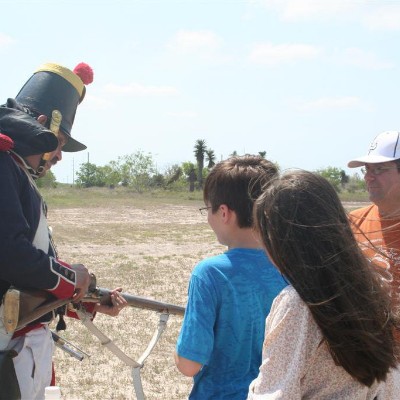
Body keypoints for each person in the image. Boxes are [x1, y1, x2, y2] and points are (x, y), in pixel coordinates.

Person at [0, 62, 127, 400]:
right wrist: (72, 279)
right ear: (43, 126)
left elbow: (26, 278)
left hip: (23, 345)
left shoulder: (14, 170)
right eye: (58, 143)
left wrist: (85, 300)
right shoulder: (2, 164)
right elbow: (10, 255)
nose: (58, 155)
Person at [248, 170, 400, 399]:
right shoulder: (368, 287)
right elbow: (389, 385)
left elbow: (274, 393)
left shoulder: (297, 305)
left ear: (283, 241)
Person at [174, 155, 288, 399]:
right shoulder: (290, 268)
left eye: (208, 209)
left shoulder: (209, 273)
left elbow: (188, 364)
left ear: (223, 212)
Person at [347, 131, 400, 315]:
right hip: (371, 342)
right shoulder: (354, 222)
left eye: (380, 169)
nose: (368, 177)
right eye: (367, 169)